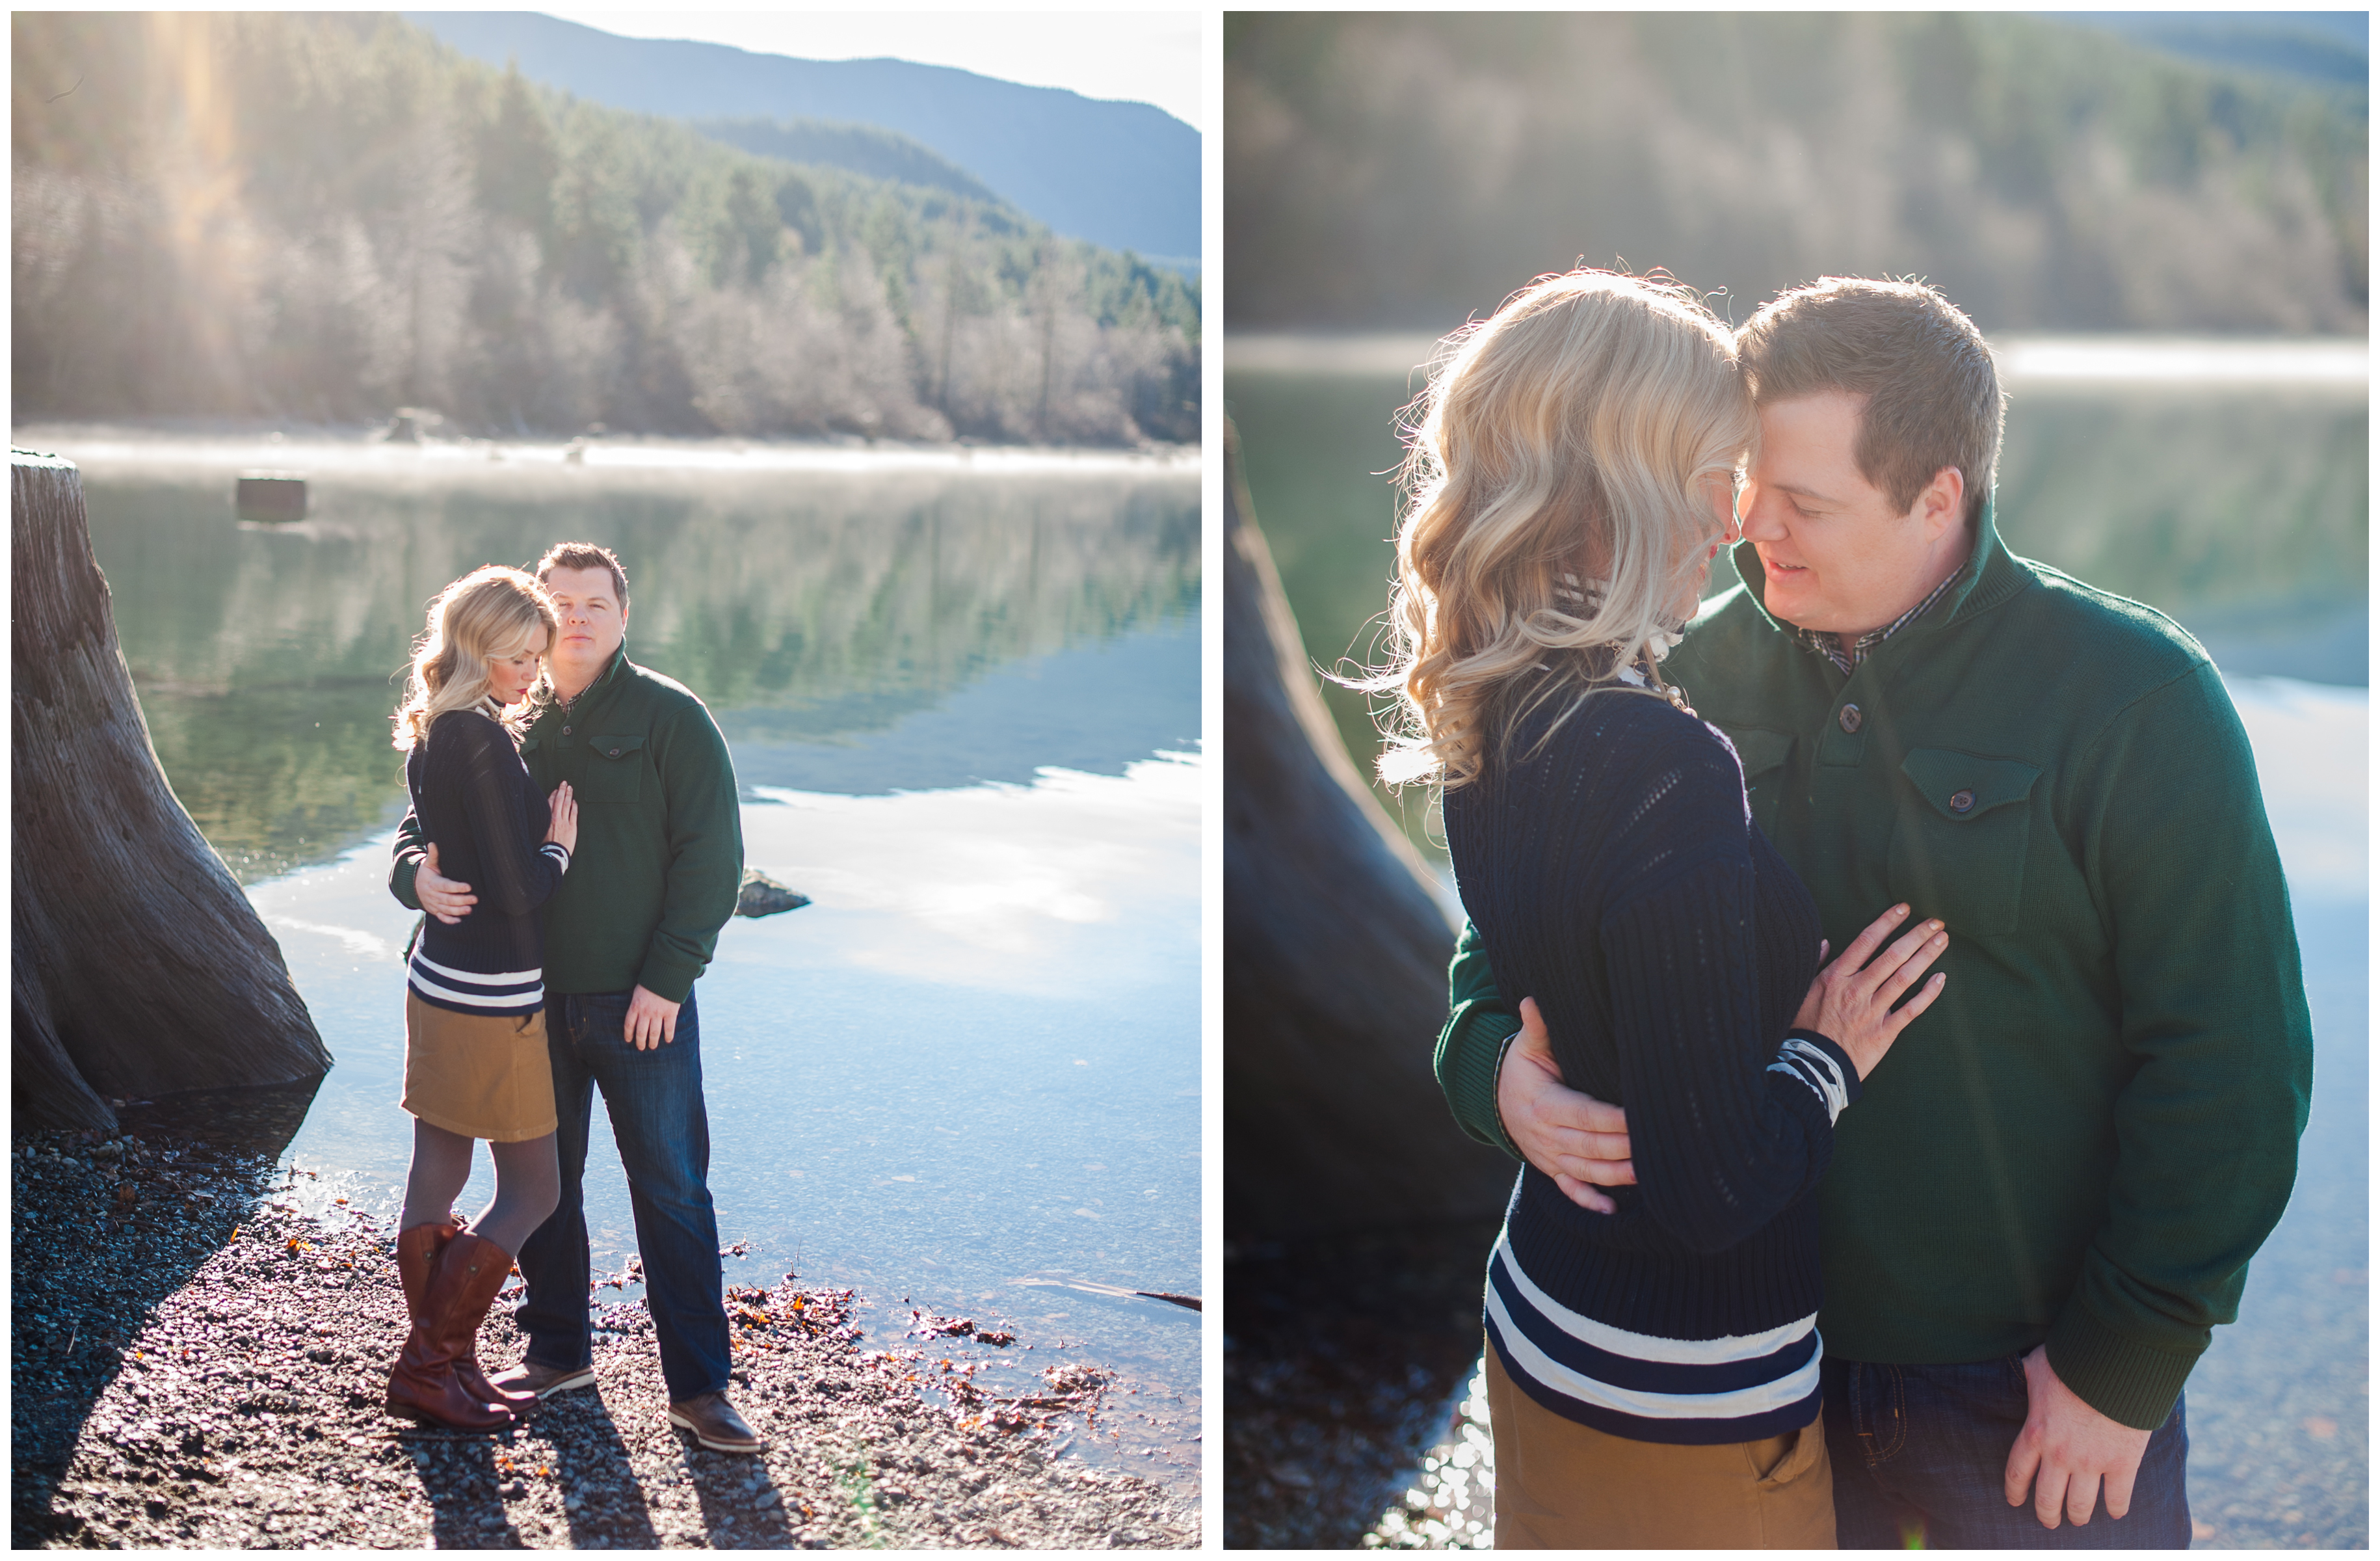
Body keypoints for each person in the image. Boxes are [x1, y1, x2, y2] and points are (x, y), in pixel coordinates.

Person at [1437, 277, 2312, 1547]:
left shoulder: (2136, 700)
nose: (1751, 533)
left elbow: (2234, 1062)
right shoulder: (1671, 662)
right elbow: (1507, 930)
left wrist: (2123, 1367)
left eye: (1806, 505)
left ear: (1938, 495)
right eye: (1744, 486)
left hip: (2021, 1397)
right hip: (1750, 1380)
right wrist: (1491, 1075)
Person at [1373, 269, 1951, 1549]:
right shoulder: (1661, 765)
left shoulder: (1492, 702)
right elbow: (1712, 1190)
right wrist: (1826, 1056)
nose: (1736, 520)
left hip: (1545, 1320)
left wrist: (1495, 1077)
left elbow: (1543, 963)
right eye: (1714, 474)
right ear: (1619, 490)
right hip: (1682, 1397)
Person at [389, 542, 758, 1454]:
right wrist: (410, 877)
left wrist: (670, 978)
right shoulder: (509, 712)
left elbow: (711, 860)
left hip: (641, 1006)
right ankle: (557, 1352)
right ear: (536, 622)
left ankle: (701, 1390)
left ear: (624, 617)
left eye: (597, 603)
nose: (580, 618)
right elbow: (426, 819)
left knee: (671, 1188)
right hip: (523, 1004)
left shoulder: (673, 717)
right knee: (548, 1191)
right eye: (562, 603)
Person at [384, 565, 578, 1431]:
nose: (530, 674)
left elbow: (436, 841)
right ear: (475, 649)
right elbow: (515, 891)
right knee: (534, 1188)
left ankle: (447, 1366)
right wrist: (559, 851)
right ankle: (430, 1365)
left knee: (441, 1167)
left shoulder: (435, 731)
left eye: (538, 657)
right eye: (516, 656)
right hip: (494, 996)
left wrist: (416, 873)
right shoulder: (485, 741)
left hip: (440, 983)